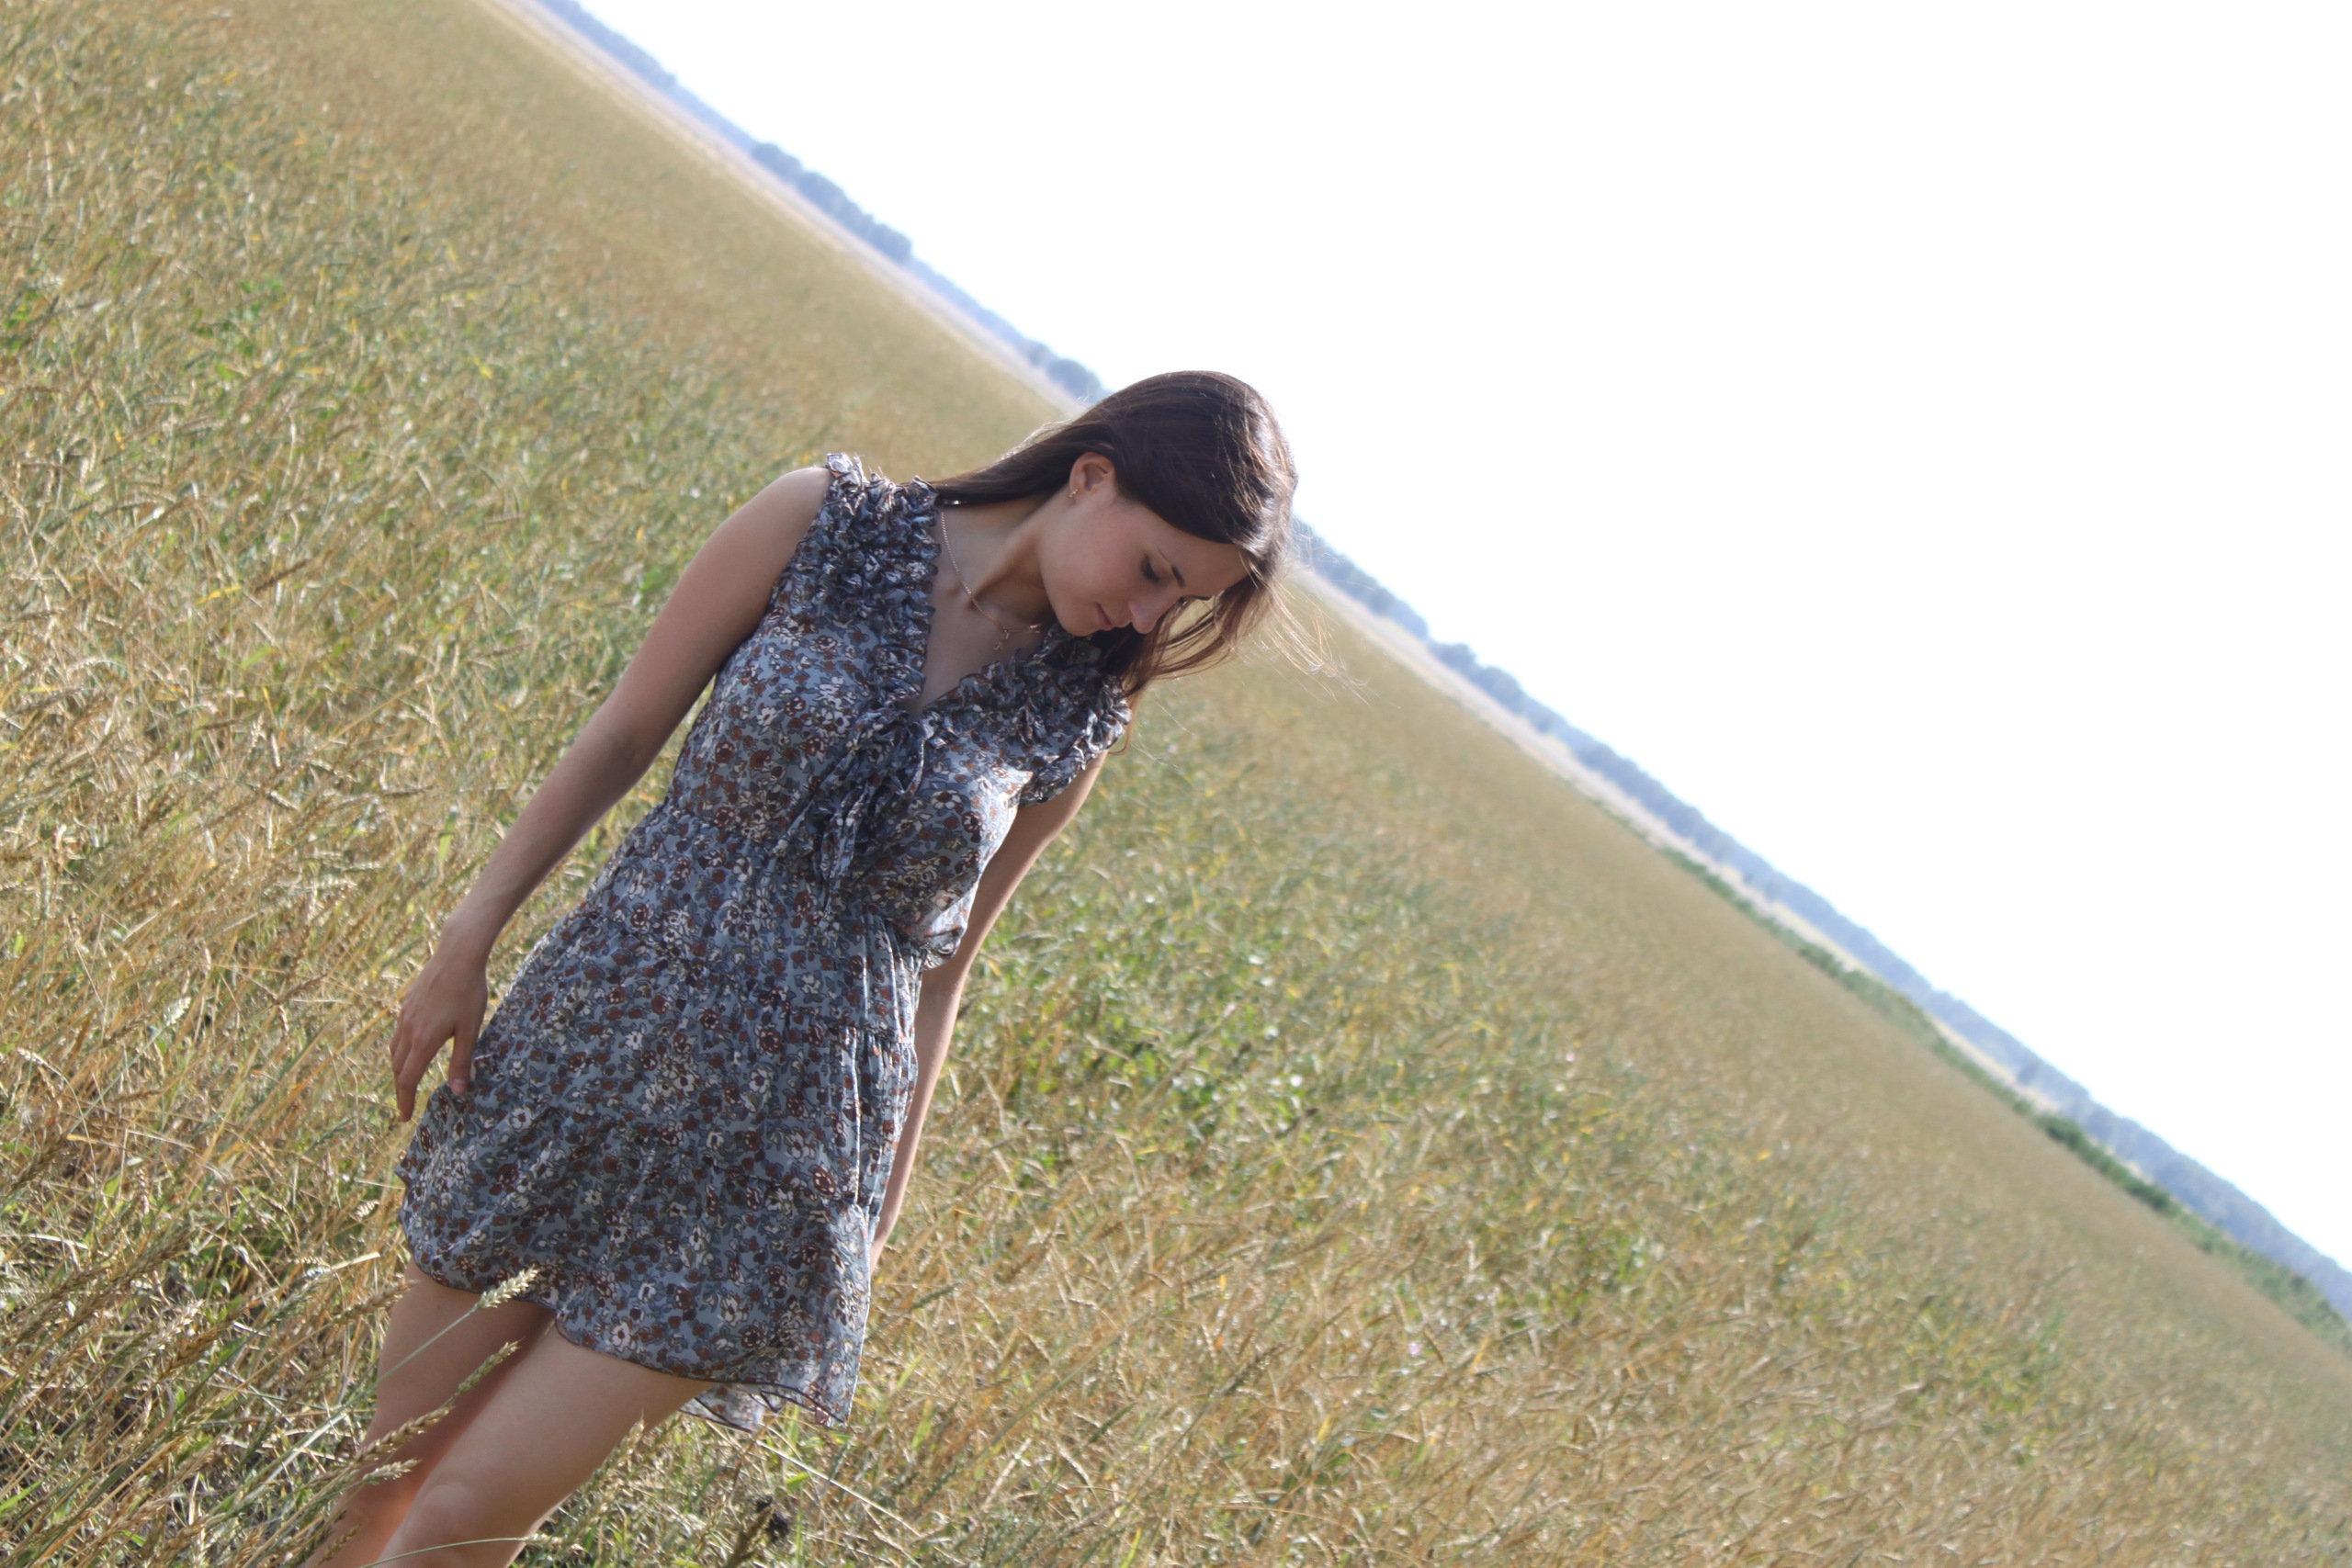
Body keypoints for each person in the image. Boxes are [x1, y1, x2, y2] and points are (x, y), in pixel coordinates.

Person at [309, 371, 1295, 1567]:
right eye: (1153, 569)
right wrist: (467, 940)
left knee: (466, 1519)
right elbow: (623, 734)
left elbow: (944, 971)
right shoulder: (821, 520)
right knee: (382, 1487)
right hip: (589, 1047)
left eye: (1180, 601)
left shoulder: (1074, 719)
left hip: (782, 1162)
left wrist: (873, 1217)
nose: (1146, 616)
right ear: (1092, 475)